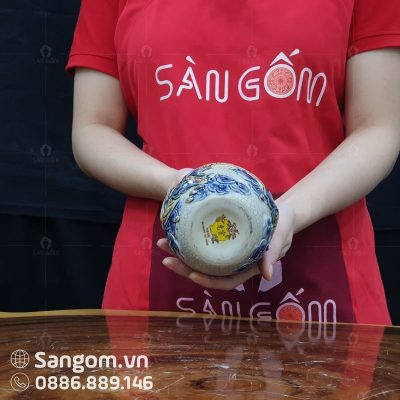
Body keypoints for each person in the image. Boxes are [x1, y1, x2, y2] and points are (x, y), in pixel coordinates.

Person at [66, 0, 400, 325]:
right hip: (157, 286)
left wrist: (293, 211)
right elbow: (92, 130)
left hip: (323, 285)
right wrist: (173, 184)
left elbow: (377, 130)